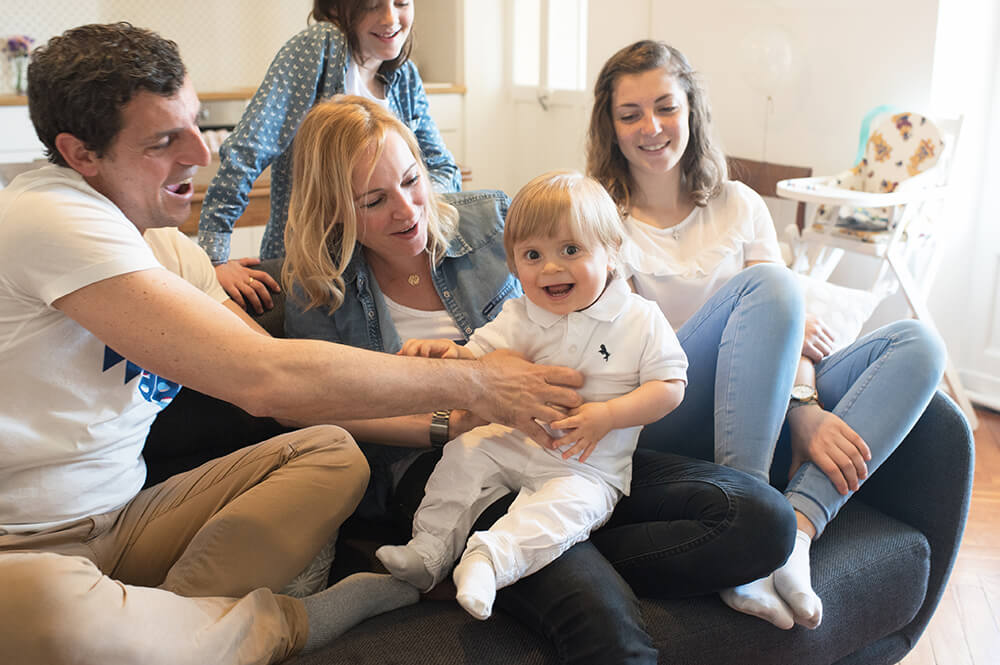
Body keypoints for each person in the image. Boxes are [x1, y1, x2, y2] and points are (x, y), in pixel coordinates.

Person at [0, 23, 585, 665]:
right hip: (21, 546)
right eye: (165, 140)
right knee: (61, 624)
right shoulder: (48, 216)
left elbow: (285, 393)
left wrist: (456, 416)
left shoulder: (166, 247)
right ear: (80, 154)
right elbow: (265, 375)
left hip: (127, 520)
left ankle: (169, 629)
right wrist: (476, 384)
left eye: (196, 124)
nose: (201, 152)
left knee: (333, 455)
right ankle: (284, 624)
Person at [282, 95, 796, 664]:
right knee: (606, 632)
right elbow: (309, 405)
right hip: (461, 459)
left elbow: (574, 303)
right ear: (335, 209)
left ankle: (564, 528)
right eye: (374, 200)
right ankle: (501, 549)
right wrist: (456, 416)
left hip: (579, 447)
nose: (407, 210)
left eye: (411, 180)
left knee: (763, 521)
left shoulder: (487, 220)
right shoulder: (317, 286)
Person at [587, 39, 947, 631]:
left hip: (759, 418)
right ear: (612, 125)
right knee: (774, 290)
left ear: (691, 110)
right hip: (663, 411)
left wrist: (800, 406)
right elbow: (613, 348)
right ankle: (747, 534)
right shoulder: (598, 216)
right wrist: (768, 343)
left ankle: (796, 536)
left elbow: (788, 334)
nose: (651, 127)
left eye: (665, 107)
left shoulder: (740, 204)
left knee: (916, 344)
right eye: (631, 115)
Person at [374, 170, 688, 621]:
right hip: (514, 440)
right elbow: (481, 358)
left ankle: (489, 561)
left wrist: (609, 415)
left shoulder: (640, 319)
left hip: (586, 467)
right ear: (514, 264)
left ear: (611, 254)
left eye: (571, 250)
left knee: (560, 513)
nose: (551, 268)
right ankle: (428, 551)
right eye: (533, 255)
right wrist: (450, 354)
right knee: (464, 452)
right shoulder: (521, 313)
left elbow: (670, 387)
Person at [198, 0, 462, 314]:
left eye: (401, 2)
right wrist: (214, 259)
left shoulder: (404, 76)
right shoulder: (320, 46)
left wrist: (417, 203)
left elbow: (443, 167)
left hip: (386, 271)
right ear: (337, 7)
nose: (391, 18)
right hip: (317, 275)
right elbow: (249, 147)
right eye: (371, 6)